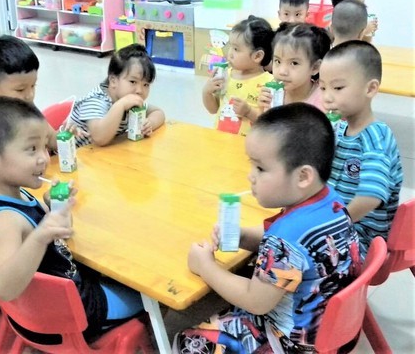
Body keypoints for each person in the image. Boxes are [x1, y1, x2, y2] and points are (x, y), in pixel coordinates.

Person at [172, 103, 361, 353]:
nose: (251, 176)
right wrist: (242, 236)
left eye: (260, 168)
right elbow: (297, 253)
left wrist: (204, 266)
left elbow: (256, 301)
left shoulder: (286, 238)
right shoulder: (331, 201)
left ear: (303, 176)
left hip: (291, 343)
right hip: (335, 329)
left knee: (186, 342)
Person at [0, 97, 145, 341]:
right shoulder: (4, 220)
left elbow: (57, 233)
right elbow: (4, 287)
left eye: (43, 147)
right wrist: (40, 237)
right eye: (31, 149)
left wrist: (52, 208)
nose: (43, 157)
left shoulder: (12, 193)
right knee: (150, 297)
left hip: (52, 302)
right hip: (70, 315)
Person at [319, 41, 403, 258]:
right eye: (323, 87)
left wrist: (331, 223)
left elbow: (370, 196)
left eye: (337, 88)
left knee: (292, 248)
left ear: (370, 88)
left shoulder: (376, 137)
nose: (327, 97)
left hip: (362, 239)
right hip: (338, 225)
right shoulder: (340, 128)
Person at [0, 34, 83, 151]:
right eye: (20, 89)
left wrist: (66, 136)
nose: (30, 95)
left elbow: (53, 141)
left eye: (33, 86)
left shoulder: (28, 109)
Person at [66, 43, 165, 148]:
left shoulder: (130, 101)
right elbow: (99, 138)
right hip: (72, 158)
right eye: (133, 82)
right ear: (113, 81)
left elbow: (158, 112)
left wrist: (149, 123)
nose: (140, 90)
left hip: (101, 156)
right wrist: (120, 105)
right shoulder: (96, 101)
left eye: (146, 84)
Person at [202, 15, 274, 135]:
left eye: (236, 49)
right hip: (220, 141)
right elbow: (214, 109)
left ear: (257, 56)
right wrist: (206, 92)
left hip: (247, 147)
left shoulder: (269, 84)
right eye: (230, 46)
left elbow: (269, 124)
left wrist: (249, 112)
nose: (230, 53)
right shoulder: (226, 75)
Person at [258, 22, 331, 112]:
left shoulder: (324, 102)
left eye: (294, 63)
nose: (282, 71)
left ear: (315, 67)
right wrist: (263, 110)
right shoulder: (272, 94)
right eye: (278, 61)